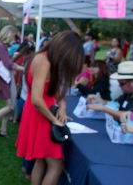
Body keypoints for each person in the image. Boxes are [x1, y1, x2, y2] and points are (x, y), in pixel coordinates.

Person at [16, 30, 84, 185]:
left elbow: (52, 92)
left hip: (42, 115)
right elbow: (37, 99)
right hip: (42, 117)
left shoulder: (46, 59)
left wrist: (62, 105)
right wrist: (55, 121)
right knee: (56, 166)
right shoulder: (44, 60)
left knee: (42, 160)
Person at [0, 25, 24, 137]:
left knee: (10, 106)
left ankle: (3, 130)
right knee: (10, 106)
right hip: (2, 79)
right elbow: (8, 64)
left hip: (1, 77)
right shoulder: (1, 46)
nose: (12, 39)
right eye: (12, 37)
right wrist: (23, 68)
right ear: (8, 35)